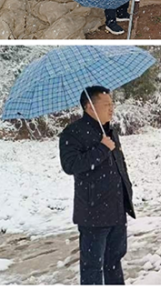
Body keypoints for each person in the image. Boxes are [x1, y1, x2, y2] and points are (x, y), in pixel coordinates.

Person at [59, 86, 134, 285]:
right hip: (93, 213)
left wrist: (127, 192)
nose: (112, 108)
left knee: (114, 261)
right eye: (106, 104)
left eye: (112, 104)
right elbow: (70, 165)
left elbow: (120, 164)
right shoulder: (72, 133)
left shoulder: (110, 129)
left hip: (117, 209)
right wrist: (101, 148)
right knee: (92, 267)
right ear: (89, 107)